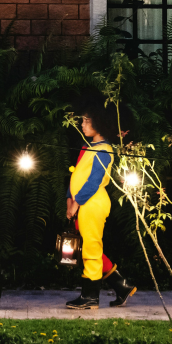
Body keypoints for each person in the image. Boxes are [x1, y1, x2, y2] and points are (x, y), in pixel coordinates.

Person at [65, 102, 136, 310]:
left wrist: (76, 202)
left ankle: (90, 297)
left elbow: (93, 181)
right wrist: (71, 199)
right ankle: (118, 288)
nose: (83, 124)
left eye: (87, 121)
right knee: (89, 247)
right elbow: (78, 175)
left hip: (92, 203)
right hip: (85, 203)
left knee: (91, 249)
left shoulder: (104, 150)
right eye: (83, 120)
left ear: (100, 123)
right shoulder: (91, 148)